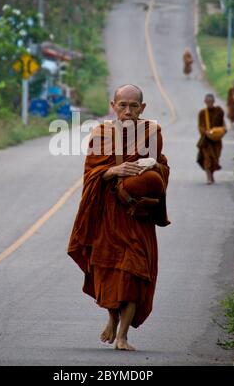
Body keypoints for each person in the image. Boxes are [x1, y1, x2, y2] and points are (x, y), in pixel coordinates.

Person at [67, 84, 170, 351]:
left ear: (142, 108)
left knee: (135, 272)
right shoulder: (101, 134)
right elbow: (91, 172)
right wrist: (115, 171)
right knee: (109, 269)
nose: (127, 111)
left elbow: (162, 168)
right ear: (113, 105)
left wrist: (154, 167)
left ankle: (122, 336)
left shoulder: (152, 132)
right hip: (108, 213)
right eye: (122, 105)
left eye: (133, 106)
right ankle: (112, 319)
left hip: (137, 215)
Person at [197, 93, 226, 184]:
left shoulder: (219, 111)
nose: (209, 103)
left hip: (217, 141)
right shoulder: (202, 113)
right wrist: (206, 132)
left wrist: (222, 131)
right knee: (207, 158)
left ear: (214, 101)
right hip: (206, 140)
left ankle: (211, 175)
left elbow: (223, 125)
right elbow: (200, 126)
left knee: (215, 159)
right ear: (205, 102)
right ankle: (208, 178)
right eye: (208, 101)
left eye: (211, 101)